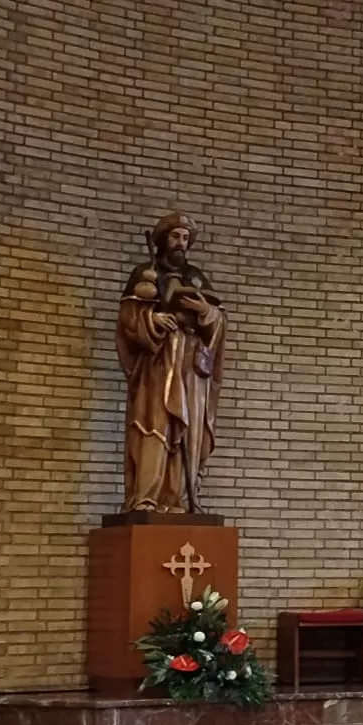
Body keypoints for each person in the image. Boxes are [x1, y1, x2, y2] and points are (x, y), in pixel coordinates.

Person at [118, 212, 226, 514]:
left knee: (188, 433)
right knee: (155, 427)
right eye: (175, 236)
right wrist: (153, 319)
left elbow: (218, 325)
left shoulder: (195, 277)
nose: (181, 243)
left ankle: (177, 498)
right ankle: (146, 498)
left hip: (190, 368)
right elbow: (127, 319)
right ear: (164, 240)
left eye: (185, 238)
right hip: (158, 365)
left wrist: (206, 311)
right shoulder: (145, 274)